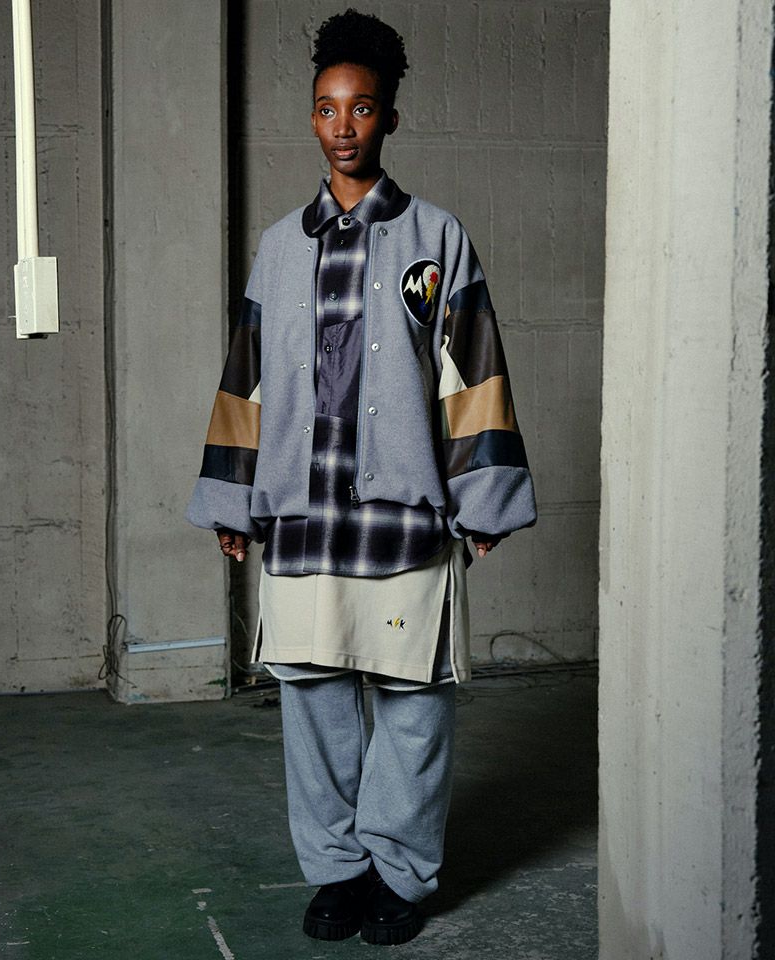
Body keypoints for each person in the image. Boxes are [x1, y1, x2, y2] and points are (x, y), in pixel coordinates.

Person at [186, 7, 536, 947]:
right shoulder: (278, 247)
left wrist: (483, 497)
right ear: (312, 118)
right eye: (326, 109)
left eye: (362, 108)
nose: (343, 126)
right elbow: (247, 379)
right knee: (314, 703)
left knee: (414, 705)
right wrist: (233, 500)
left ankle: (402, 873)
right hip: (303, 516)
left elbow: (472, 370)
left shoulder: (436, 237)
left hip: (404, 518)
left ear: (389, 117)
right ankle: (338, 872)